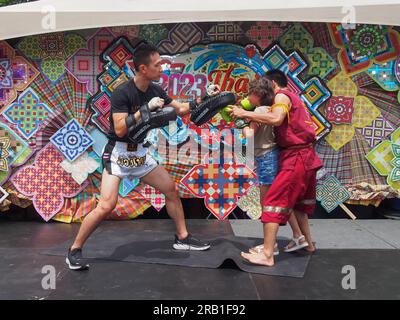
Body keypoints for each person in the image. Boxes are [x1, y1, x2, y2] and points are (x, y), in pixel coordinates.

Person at [66, 43, 216, 271]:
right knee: (107, 205)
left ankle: (182, 238)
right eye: (157, 65)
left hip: (141, 154)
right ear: (143, 68)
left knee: (171, 190)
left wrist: (205, 97)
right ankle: (74, 250)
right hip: (119, 153)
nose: (162, 68)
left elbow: (181, 108)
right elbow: (119, 129)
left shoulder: (156, 89)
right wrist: (144, 109)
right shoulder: (123, 92)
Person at [230, 70, 321, 267]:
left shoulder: (280, 97)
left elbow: (275, 120)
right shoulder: (291, 99)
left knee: (272, 202)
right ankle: (304, 241)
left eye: (251, 93)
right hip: (300, 155)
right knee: (296, 203)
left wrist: (243, 113)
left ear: (270, 84)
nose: (248, 97)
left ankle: (268, 253)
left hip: (294, 156)